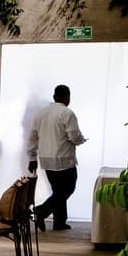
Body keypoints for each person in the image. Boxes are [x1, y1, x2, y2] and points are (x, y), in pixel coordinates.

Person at [27, 83, 86, 232]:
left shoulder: (41, 114)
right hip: (63, 159)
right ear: (67, 98)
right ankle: (42, 211)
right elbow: (74, 136)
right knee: (68, 189)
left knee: (58, 190)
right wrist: (81, 140)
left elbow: (33, 137)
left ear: (54, 97)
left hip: (46, 159)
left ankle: (59, 222)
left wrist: (32, 157)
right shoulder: (67, 113)